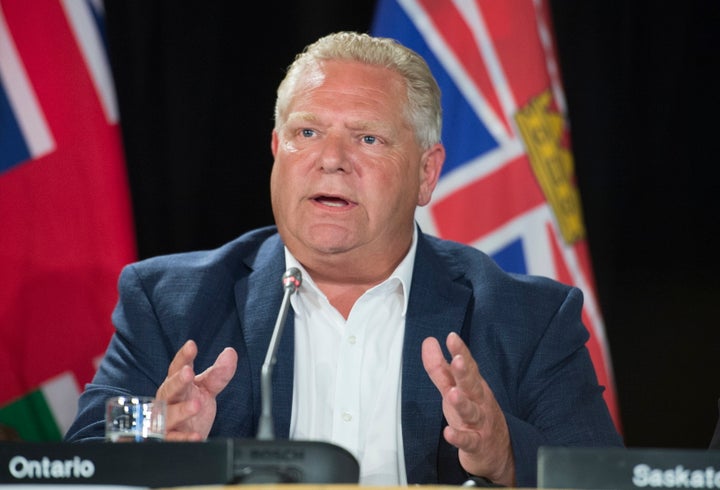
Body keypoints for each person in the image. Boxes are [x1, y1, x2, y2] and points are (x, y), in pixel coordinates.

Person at [64, 31, 623, 486]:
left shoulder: (526, 317)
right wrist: (157, 429)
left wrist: (505, 455)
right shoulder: (169, 301)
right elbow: (82, 456)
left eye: (368, 139)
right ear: (277, 151)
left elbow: (602, 479)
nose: (331, 160)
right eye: (306, 132)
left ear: (427, 173)